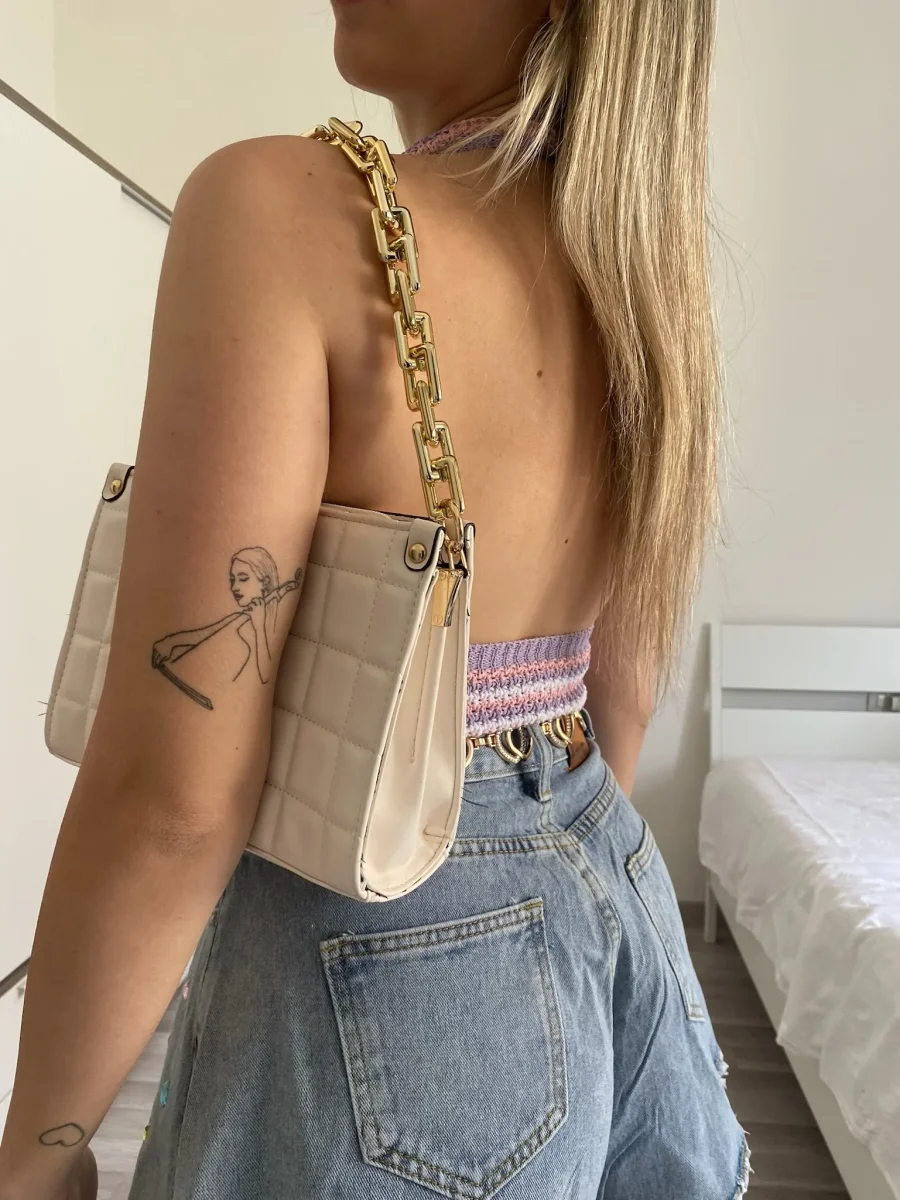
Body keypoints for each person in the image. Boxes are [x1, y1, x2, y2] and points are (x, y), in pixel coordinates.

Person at [0, 0, 749, 1197]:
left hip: (388, 970)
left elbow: (172, 802)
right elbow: (625, 688)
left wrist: (34, 1157)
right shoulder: (642, 269)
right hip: (615, 914)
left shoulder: (282, 212)